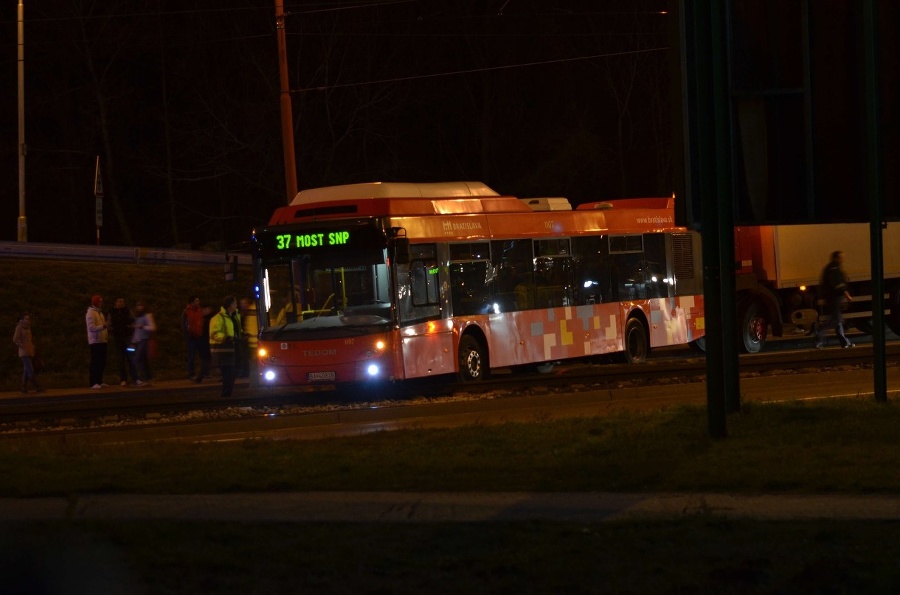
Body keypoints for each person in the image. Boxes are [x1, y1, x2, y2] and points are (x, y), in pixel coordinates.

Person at [816, 250, 854, 349]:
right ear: (836, 258)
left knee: (837, 321)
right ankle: (820, 337)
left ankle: (844, 343)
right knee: (836, 321)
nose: (842, 259)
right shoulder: (833, 269)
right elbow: (839, 284)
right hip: (833, 298)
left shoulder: (832, 268)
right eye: (841, 257)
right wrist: (847, 295)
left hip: (832, 298)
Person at [210, 295, 241, 397]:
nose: (237, 305)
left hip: (231, 350)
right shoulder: (218, 318)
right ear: (230, 305)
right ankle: (226, 396)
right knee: (228, 375)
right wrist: (226, 338)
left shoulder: (235, 316)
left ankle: (226, 396)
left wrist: (242, 335)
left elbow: (235, 331)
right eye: (235, 303)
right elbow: (214, 333)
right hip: (222, 351)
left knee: (230, 375)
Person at [108, 297, 138, 386]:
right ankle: (123, 379)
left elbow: (134, 321)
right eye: (120, 301)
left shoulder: (128, 311)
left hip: (128, 338)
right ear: (115, 303)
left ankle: (135, 378)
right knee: (120, 359)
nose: (122, 303)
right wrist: (111, 329)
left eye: (123, 301)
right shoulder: (112, 312)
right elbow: (108, 323)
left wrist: (131, 327)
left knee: (131, 357)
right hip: (118, 339)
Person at [13, 312, 43, 393]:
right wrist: (22, 346)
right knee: (30, 370)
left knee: (26, 370)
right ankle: (37, 386)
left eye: (28, 319)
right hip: (24, 353)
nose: (28, 320)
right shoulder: (19, 327)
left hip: (30, 351)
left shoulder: (28, 327)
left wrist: (32, 347)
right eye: (26, 319)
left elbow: (29, 340)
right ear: (21, 320)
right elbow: (15, 339)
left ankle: (23, 387)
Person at [86, 295, 110, 389]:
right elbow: (91, 328)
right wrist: (104, 327)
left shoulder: (100, 312)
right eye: (100, 301)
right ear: (95, 302)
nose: (101, 303)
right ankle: (93, 382)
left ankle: (99, 381)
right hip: (95, 341)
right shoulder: (90, 313)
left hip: (102, 340)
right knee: (95, 362)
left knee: (102, 362)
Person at [130, 300, 156, 385]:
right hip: (139, 340)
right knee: (143, 360)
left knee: (137, 359)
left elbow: (152, 327)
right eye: (137, 305)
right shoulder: (137, 317)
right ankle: (148, 378)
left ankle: (144, 379)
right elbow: (136, 331)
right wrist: (133, 341)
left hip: (145, 340)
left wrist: (143, 327)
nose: (139, 307)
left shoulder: (147, 316)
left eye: (141, 305)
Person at [181, 296, 205, 380]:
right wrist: (187, 335)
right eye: (196, 301)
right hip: (191, 337)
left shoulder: (199, 310)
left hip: (198, 336)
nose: (198, 303)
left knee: (202, 355)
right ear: (192, 302)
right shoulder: (186, 311)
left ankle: (202, 372)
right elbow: (184, 325)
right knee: (192, 356)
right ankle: (191, 373)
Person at [193, 306, 214, 383]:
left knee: (205, 359)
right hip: (206, 342)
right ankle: (202, 375)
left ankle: (201, 376)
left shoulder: (206, 319)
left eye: (206, 309)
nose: (204, 311)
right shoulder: (207, 319)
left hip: (205, 342)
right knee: (206, 359)